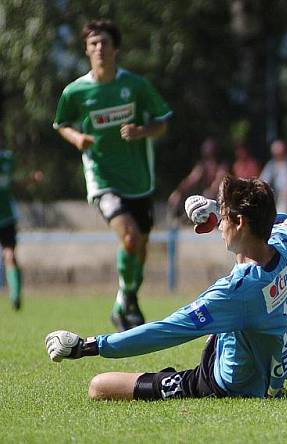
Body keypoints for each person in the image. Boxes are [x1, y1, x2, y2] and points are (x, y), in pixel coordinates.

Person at [45, 176, 287, 400]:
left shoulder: (235, 292)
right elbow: (282, 219)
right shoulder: (282, 242)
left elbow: (166, 331)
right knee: (259, 330)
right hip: (265, 367)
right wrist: (212, 206)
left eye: (223, 216)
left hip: (221, 384)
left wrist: (87, 346)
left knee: (98, 387)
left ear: (240, 222)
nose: (218, 223)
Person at [53, 19, 172, 331]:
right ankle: (126, 300)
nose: (99, 48)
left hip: (140, 181)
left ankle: (126, 300)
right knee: (130, 238)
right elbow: (61, 123)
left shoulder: (135, 86)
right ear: (86, 49)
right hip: (102, 179)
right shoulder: (75, 92)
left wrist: (141, 130)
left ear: (116, 48)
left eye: (105, 42)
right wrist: (76, 138)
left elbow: (162, 122)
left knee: (141, 247)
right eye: (93, 43)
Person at [0, 143, 42, 311]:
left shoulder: (7, 159)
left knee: (10, 255)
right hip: (7, 216)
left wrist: (30, 180)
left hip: (7, 216)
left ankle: (15, 295)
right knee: (9, 255)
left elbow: (11, 184)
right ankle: (15, 294)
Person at [167, 137, 228, 217]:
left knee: (208, 194)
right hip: (207, 196)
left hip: (220, 196)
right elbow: (191, 179)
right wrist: (178, 192)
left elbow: (218, 181)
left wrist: (210, 193)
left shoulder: (222, 165)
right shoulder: (202, 165)